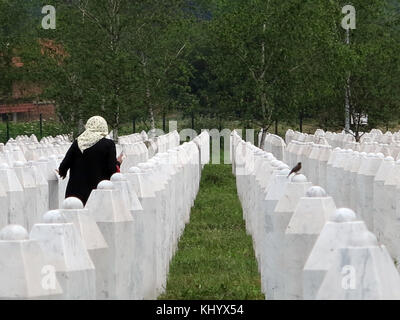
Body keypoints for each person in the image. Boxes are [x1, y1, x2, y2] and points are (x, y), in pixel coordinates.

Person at [57, 116, 123, 205]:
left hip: (76, 192)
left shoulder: (78, 142)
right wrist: (118, 162)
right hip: (98, 191)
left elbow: (64, 165)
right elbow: (112, 169)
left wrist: (62, 172)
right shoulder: (108, 144)